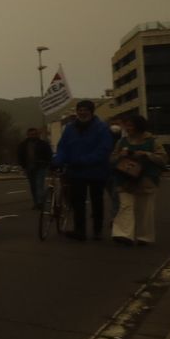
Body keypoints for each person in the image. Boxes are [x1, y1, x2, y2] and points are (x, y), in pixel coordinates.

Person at [53, 100, 115, 242]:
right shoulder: (69, 128)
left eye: (85, 109)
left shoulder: (102, 127)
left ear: (91, 111)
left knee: (96, 201)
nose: (82, 112)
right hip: (75, 171)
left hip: (96, 171)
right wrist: (58, 160)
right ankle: (79, 230)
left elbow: (104, 149)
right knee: (77, 202)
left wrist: (84, 160)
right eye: (79, 109)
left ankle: (97, 230)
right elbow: (63, 147)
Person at [111, 114, 168, 246]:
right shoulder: (121, 142)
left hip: (146, 179)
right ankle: (123, 234)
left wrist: (146, 154)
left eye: (130, 125)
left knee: (145, 209)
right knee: (126, 205)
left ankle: (144, 237)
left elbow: (163, 159)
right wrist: (120, 155)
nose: (127, 128)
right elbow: (112, 159)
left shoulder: (152, 141)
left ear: (139, 126)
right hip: (124, 179)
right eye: (126, 125)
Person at [17, 127, 53, 209]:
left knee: (39, 184)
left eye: (35, 134)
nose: (33, 136)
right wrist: (23, 166)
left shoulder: (43, 144)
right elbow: (20, 155)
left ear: (38, 135)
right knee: (33, 186)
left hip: (41, 167)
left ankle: (40, 202)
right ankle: (36, 202)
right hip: (29, 167)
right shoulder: (23, 145)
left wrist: (48, 163)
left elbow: (49, 154)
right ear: (28, 135)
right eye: (31, 134)